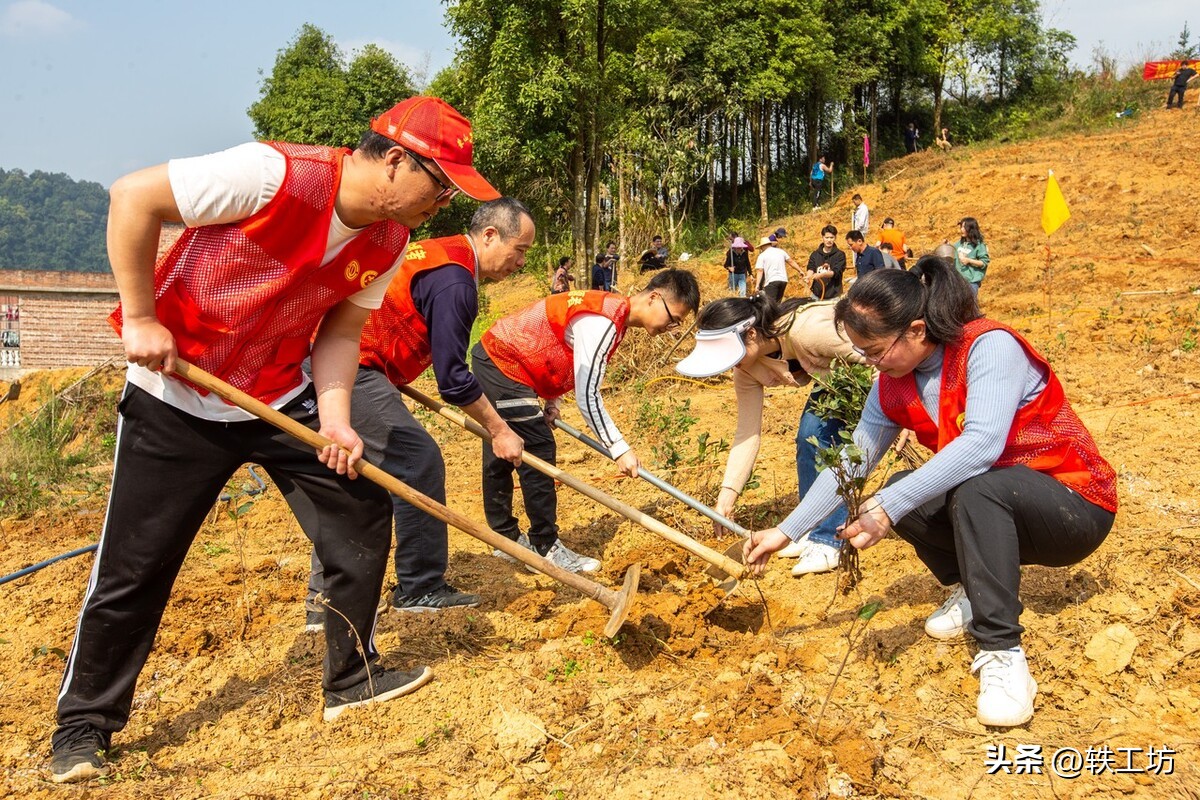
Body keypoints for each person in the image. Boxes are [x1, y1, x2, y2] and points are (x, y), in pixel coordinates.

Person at [50, 96, 494, 784]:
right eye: (440, 184)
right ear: (398, 160)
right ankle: (82, 729)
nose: (443, 201)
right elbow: (132, 197)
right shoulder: (272, 175)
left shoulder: (388, 241)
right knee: (136, 567)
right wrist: (140, 317)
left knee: (360, 509)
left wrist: (339, 420)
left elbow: (341, 334)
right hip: (179, 392)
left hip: (276, 393)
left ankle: (352, 676)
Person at [744, 257, 1117, 728]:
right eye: (861, 351)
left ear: (917, 330)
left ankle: (1002, 652)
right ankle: (973, 588)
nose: (869, 362)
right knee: (904, 490)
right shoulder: (892, 382)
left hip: (1073, 504)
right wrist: (788, 529)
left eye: (875, 349)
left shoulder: (988, 347)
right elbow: (852, 461)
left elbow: (981, 445)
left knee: (967, 490)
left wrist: (887, 507)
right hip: (998, 503)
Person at [305, 198, 534, 627]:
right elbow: (453, 380)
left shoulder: (444, 255)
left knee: (349, 475)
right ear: (489, 236)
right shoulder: (455, 280)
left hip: (338, 358)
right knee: (417, 460)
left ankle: (324, 605)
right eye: (519, 250)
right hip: (350, 364)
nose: (520, 262)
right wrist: (499, 429)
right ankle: (421, 586)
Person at [472, 269, 700, 572]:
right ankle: (544, 546)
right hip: (504, 361)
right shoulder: (603, 320)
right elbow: (589, 396)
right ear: (655, 297)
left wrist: (552, 400)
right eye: (674, 318)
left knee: (503, 444)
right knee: (537, 445)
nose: (672, 327)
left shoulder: (610, 313)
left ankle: (504, 537)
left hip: (501, 357)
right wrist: (619, 447)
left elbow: (563, 349)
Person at [676, 294, 865, 575]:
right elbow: (747, 433)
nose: (730, 365)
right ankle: (810, 526)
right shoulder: (746, 369)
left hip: (865, 370)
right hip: (832, 379)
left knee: (818, 434)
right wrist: (727, 496)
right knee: (807, 439)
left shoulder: (807, 331)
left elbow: (874, 360)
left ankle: (830, 539)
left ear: (750, 333)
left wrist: (899, 415)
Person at [753, 235, 802, 303]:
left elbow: (760, 271)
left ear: (762, 246)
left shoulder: (762, 255)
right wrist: (800, 270)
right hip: (783, 280)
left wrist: (757, 285)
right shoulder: (781, 251)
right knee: (777, 303)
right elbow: (791, 261)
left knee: (770, 304)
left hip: (772, 281)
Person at [805, 225, 847, 300]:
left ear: (835, 238)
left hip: (834, 296)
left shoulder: (840, 255)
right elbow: (811, 267)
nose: (829, 240)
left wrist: (821, 275)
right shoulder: (815, 254)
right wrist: (808, 277)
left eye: (831, 237)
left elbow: (836, 272)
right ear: (822, 238)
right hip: (816, 295)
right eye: (826, 237)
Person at [953, 217, 990, 295]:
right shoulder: (958, 244)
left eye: (964, 227)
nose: (961, 230)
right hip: (958, 283)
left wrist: (969, 260)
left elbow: (983, 263)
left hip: (971, 283)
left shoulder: (979, 246)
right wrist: (947, 245)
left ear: (971, 229)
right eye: (961, 227)